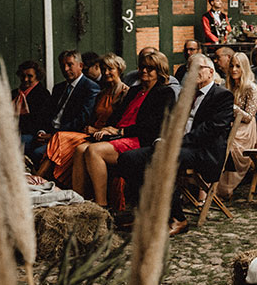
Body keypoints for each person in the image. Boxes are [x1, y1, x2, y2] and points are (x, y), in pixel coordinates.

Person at [119, 53, 235, 236]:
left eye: (198, 68)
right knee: (128, 159)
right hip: (177, 147)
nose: (193, 72)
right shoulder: (185, 95)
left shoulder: (223, 96)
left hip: (204, 151)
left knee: (164, 159)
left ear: (210, 72)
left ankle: (178, 218)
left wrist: (175, 143)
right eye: (190, 69)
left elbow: (210, 130)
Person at [70, 50, 175, 208]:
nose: (144, 71)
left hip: (139, 139)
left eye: (150, 68)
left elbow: (153, 126)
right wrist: (107, 128)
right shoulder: (134, 91)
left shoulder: (165, 93)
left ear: (159, 71)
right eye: (142, 67)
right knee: (79, 149)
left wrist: (120, 132)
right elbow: (117, 117)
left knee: (94, 151)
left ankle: (101, 205)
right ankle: (79, 203)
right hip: (118, 135)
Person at [36, 54, 129, 186]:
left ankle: (37, 179)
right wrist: (91, 128)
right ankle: (39, 180)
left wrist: (98, 130)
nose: (106, 72)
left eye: (110, 69)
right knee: (61, 140)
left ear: (119, 70)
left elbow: (120, 123)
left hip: (107, 136)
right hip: (91, 133)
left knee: (60, 137)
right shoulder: (102, 92)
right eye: (103, 69)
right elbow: (91, 117)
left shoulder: (126, 92)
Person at [25, 50, 101, 163]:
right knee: (20, 142)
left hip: (67, 136)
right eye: (62, 66)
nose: (65, 69)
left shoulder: (90, 88)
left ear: (80, 66)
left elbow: (82, 119)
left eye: (70, 65)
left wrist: (54, 135)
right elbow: (46, 114)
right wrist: (41, 131)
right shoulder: (59, 88)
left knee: (38, 153)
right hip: (48, 133)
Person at [220, 51, 257, 198]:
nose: (234, 69)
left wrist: (233, 107)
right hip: (230, 124)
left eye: (238, 66)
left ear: (244, 67)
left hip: (245, 129)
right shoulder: (228, 86)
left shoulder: (251, 87)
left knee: (228, 143)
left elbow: (249, 117)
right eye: (231, 66)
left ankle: (224, 186)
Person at [12, 60, 50, 154]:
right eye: (23, 76)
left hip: (31, 134)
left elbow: (39, 122)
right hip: (12, 132)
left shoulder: (42, 94)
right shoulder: (15, 94)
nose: (25, 79)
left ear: (37, 76)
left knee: (4, 144)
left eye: (30, 76)